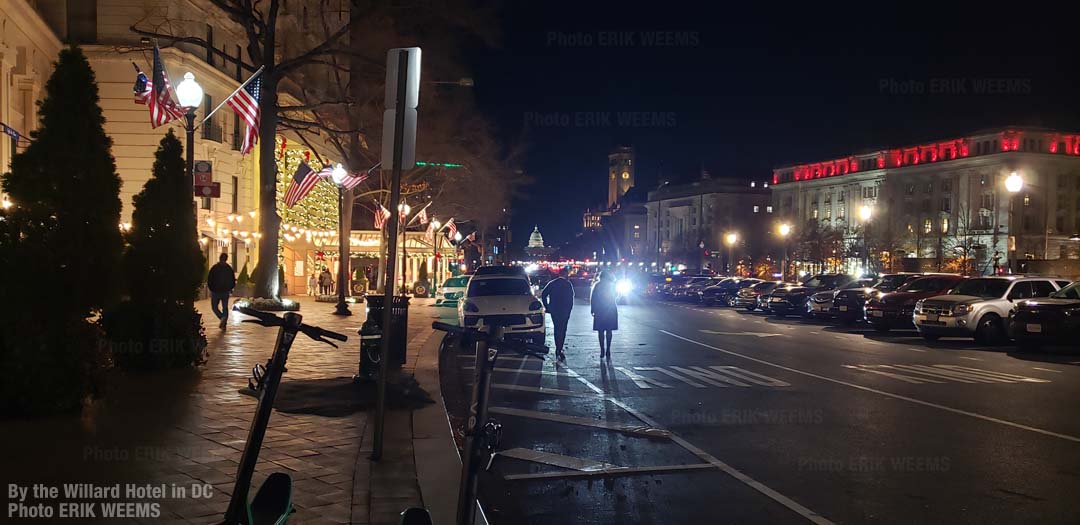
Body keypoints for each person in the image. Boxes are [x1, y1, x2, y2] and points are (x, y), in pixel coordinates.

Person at [541, 267, 575, 361]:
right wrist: (569, 308)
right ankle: (560, 348)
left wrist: (547, 307)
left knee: (557, 328)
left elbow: (544, 294)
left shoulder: (552, 283)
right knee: (563, 329)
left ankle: (558, 348)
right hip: (564, 310)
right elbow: (571, 297)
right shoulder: (568, 284)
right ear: (565, 274)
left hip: (554, 309)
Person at [590, 271, 619, 360]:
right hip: (611, 309)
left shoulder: (597, 285)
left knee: (601, 331)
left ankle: (602, 349)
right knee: (609, 330)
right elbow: (617, 295)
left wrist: (593, 309)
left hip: (600, 309)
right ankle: (608, 349)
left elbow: (593, 298)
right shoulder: (612, 285)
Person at [207, 253, 236, 329]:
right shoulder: (229, 269)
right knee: (225, 307)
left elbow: (210, 278)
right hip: (225, 291)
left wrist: (211, 288)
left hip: (216, 291)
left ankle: (222, 319)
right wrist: (230, 288)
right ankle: (223, 321)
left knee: (214, 307)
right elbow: (233, 280)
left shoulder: (214, 268)